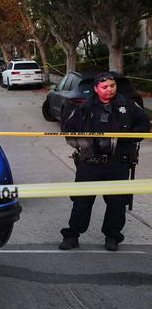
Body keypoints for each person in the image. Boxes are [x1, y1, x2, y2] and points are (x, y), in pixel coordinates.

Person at [59, 72, 150, 251]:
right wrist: (82, 142)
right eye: (105, 87)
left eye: (112, 86)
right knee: (81, 201)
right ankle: (72, 236)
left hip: (117, 163)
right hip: (89, 163)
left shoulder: (128, 105)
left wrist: (128, 138)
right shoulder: (84, 107)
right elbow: (68, 129)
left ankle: (112, 236)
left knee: (116, 202)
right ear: (96, 89)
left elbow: (144, 126)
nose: (109, 89)